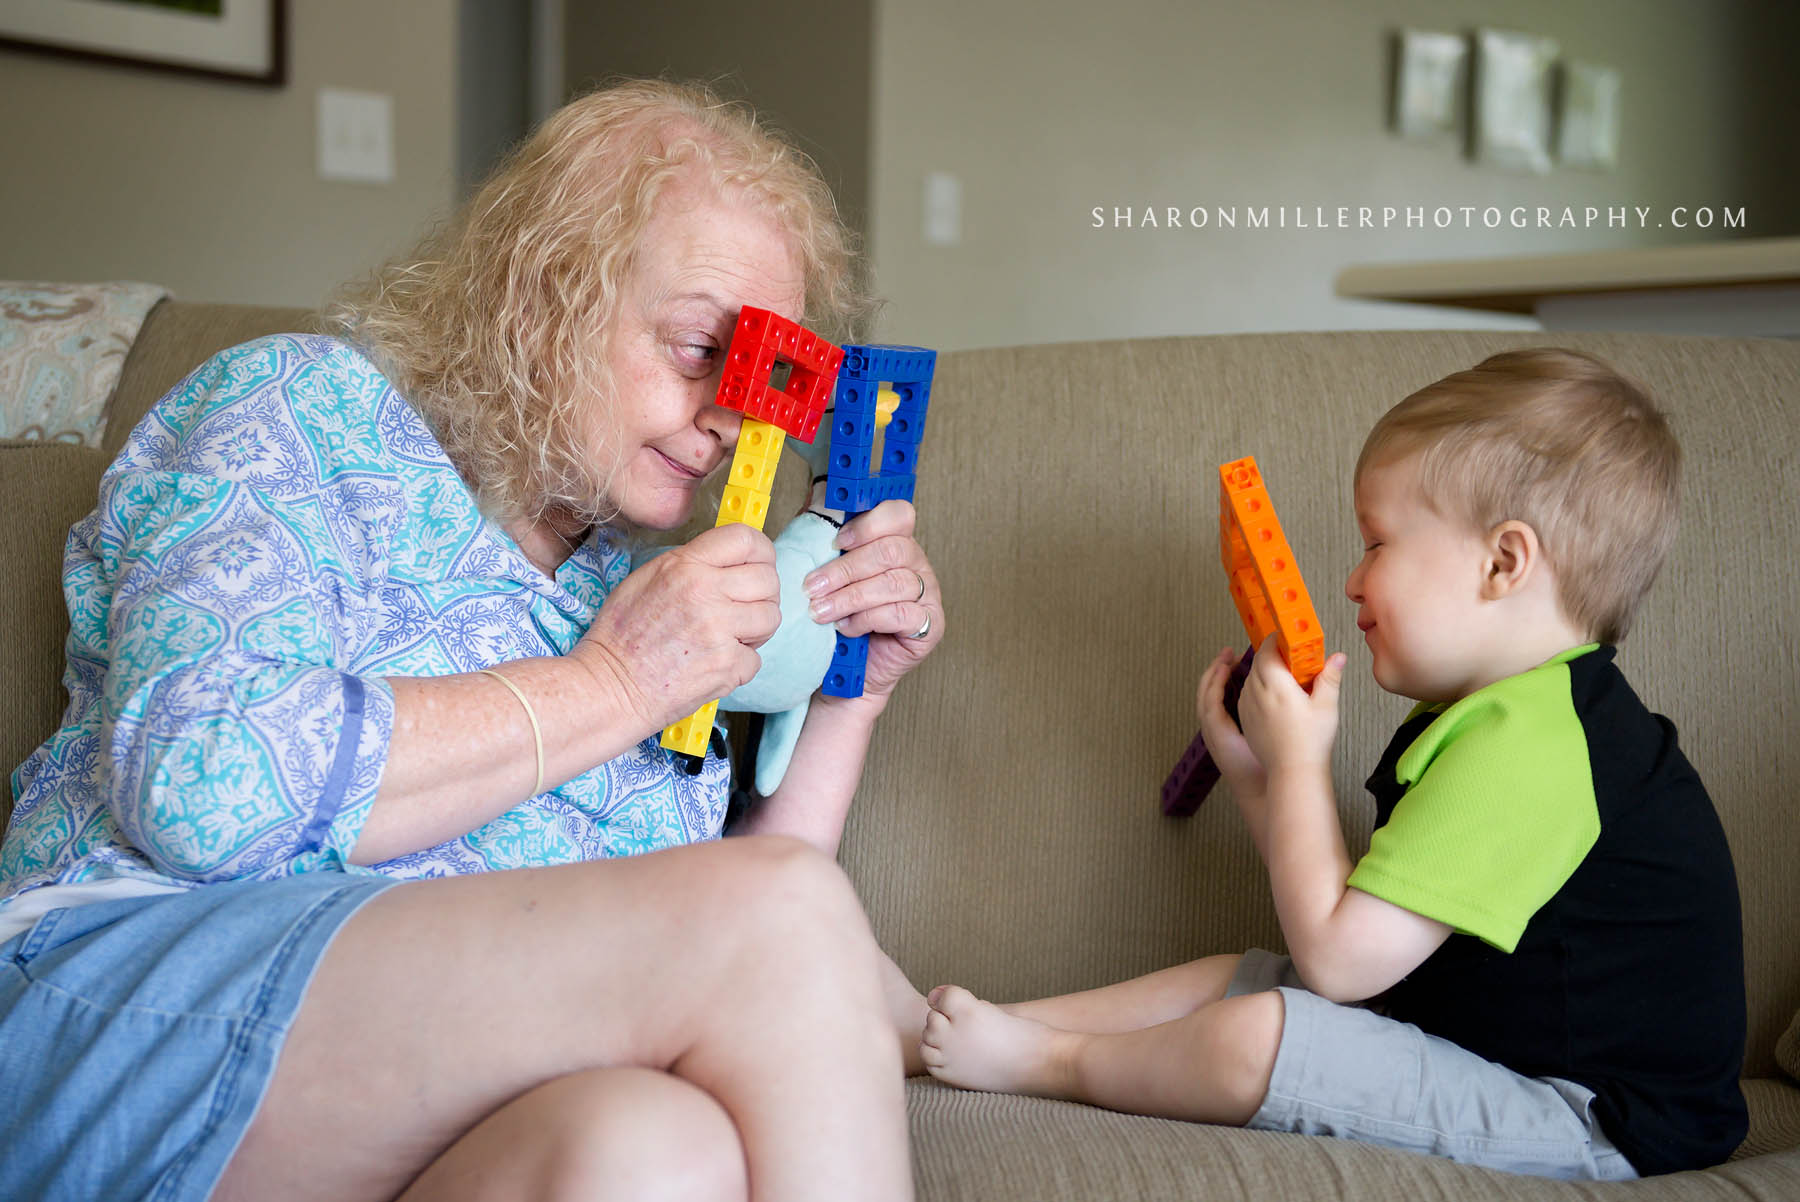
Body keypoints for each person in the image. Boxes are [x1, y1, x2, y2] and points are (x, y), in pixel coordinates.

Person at [0, 79, 940, 1202]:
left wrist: (851, 694)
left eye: (762, 380)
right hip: (126, 1004)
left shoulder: (647, 585)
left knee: (652, 1148)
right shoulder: (301, 409)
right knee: (780, 923)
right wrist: (615, 679)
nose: (732, 416)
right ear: (544, 295)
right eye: (701, 347)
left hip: (396, 1105)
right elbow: (207, 791)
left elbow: (745, 952)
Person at [917, 348, 1747, 1179]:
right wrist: (1257, 769)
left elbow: (1340, 964)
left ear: (1503, 563)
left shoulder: (1539, 746)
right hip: (1477, 1042)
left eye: (1377, 543)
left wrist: (1302, 763)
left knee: (1264, 1029)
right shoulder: (1505, 716)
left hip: (1587, 1116)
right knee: (1231, 981)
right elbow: (1356, 918)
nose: (1351, 582)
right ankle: (968, 1026)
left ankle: (1046, 1061)